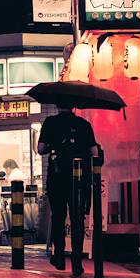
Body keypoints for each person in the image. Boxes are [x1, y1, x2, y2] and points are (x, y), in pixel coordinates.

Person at [37, 107, 96, 268]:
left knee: (58, 216)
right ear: (74, 106)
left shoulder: (50, 123)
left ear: (57, 105)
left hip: (57, 177)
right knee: (78, 218)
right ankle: (77, 261)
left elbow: (41, 149)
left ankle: (60, 257)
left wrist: (55, 145)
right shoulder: (84, 124)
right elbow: (94, 151)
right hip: (79, 178)